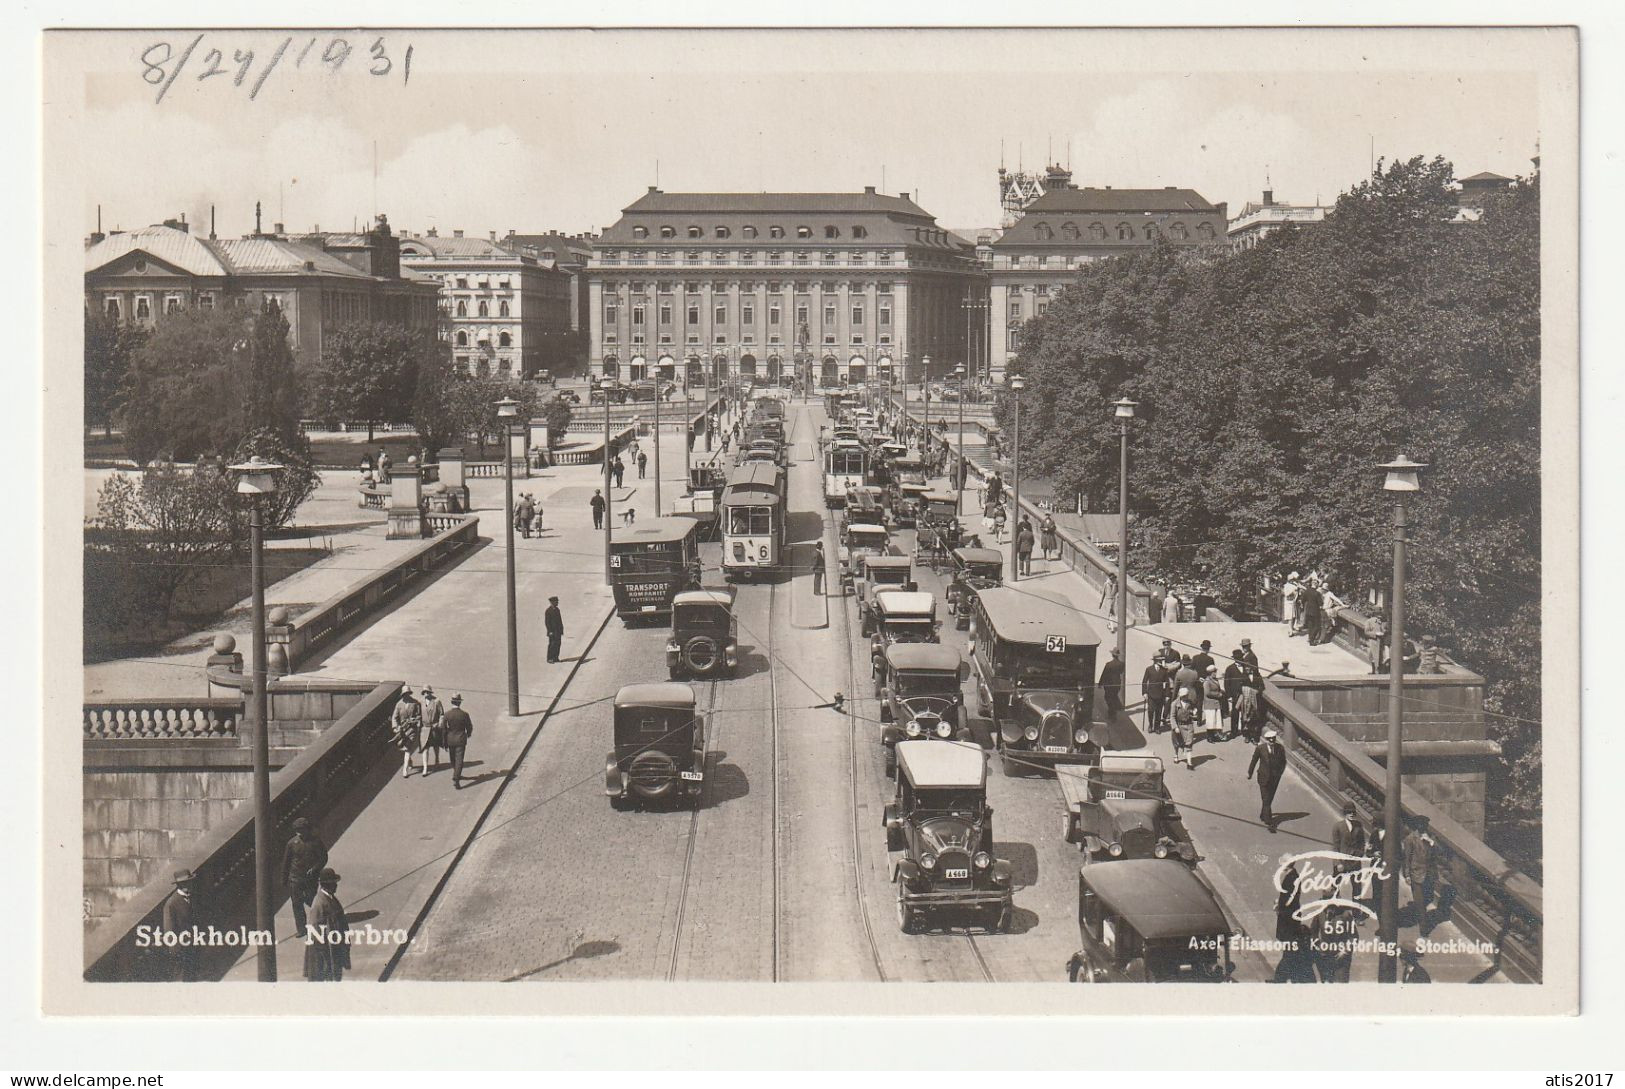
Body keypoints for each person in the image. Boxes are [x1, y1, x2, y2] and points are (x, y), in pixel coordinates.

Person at [279, 817, 328, 938]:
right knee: (297, 903)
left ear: (307, 829)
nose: (299, 833)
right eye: (297, 831)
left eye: (302, 830)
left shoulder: (316, 842)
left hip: (310, 879)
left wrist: (315, 868)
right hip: (295, 878)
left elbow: (323, 858)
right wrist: (284, 879)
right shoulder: (291, 843)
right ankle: (301, 929)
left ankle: (320, 922)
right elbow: (286, 862)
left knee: (312, 900)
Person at [303, 869, 350, 982]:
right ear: (327, 885)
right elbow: (315, 932)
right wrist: (324, 955)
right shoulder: (319, 903)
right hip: (324, 953)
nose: (336, 885)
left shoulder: (330, 898)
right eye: (334, 883)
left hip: (333, 947)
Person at [1273, 856, 1314, 984]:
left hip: (1288, 919)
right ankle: (1282, 977)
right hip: (1290, 917)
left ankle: (1280, 978)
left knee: (1289, 950)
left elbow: (1289, 900)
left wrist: (1279, 907)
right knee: (1289, 950)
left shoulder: (1291, 878)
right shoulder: (1293, 876)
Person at [1403, 815, 1443, 932]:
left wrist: (1431, 842)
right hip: (1416, 874)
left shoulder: (1431, 837)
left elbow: (1440, 852)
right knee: (1420, 902)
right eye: (1421, 825)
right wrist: (1407, 875)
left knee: (1428, 898)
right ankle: (1423, 928)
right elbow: (1407, 859)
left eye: (1425, 825)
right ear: (1417, 826)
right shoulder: (1410, 839)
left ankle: (1419, 917)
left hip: (1429, 874)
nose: (1423, 827)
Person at [160, 868, 199, 982]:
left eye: (191, 881)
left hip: (192, 948)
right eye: (188, 882)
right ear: (181, 885)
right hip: (180, 952)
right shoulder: (171, 904)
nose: (191, 884)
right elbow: (169, 932)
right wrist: (177, 953)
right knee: (181, 981)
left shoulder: (191, 898)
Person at [1248, 727, 1289, 831]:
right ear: (1266, 739)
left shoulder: (1280, 748)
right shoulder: (1260, 748)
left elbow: (1283, 762)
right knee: (1266, 798)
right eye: (1270, 739)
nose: (1272, 741)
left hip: (1275, 778)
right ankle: (1269, 822)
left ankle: (1263, 815)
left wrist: (1280, 773)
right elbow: (1254, 761)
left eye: (1273, 738)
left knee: (1269, 798)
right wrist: (1250, 773)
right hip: (1263, 777)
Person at [392, 686, 427, 778]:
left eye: (407, 694)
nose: (406, 696)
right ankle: (409, 762)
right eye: (404, 694)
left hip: (412, 729)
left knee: (407, 748)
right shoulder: (399, 704)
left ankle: (405, 770)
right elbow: (394, 717)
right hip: (402, 729)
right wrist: (395, 727)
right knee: (404, 747)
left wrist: (414, 719)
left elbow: (420, 715)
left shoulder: (415, 703)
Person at [443, 694, 474, 788]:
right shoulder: (464, 714)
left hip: (450, 739)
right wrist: (468, 734)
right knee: (459, 759)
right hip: (461, 739)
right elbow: (469, 726)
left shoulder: (447, 714)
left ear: (452, 702)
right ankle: (456, 777)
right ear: (459, 703)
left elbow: (444, 729)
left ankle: (456, 773)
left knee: (452, 759)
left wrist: (444, 742)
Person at [1331, 802, 1367, 874]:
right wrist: (1337, 863)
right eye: (1349, 812)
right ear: (1345, 813)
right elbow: (1335, 847)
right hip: (1342, 861)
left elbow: (1362, 843)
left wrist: (1359, 855)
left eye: (1353, 812)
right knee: (1336, 883)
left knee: (1357, 884)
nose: (1351, 814)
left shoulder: (1358, 825)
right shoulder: (1338, 826)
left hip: (1355, 862)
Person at [1170, 687, 1199, 767]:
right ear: (1180, 696)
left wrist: (1194, 712)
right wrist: (1175, 727)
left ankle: (1189, 763)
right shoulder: (1175, 704)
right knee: (1177, 743)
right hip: (1179, 726)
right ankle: (1176, 755)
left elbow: (1193, 711)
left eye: (1186, 695)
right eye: (1184, 696)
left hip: (1189, 725)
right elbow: (1172, 716)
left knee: (1189, 744)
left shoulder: (1190, 702)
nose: (1185, 697)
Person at [1223, 653, 1248, 738]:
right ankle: (1234, 731)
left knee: (1245, 713)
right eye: (1238, 658)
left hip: (1245, 694)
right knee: (1235, 713)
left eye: (1240, 658)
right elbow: (1226, 683)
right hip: (1235, 695)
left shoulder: (1246, 667)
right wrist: (1229, 695)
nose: (1240, 660)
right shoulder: (1230, 668)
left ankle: (1244, 731)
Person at [420, 685, 446, 770]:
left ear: (431, 692)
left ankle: (437, 759)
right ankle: (425, 767)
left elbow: (442, 714)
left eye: (428, 692)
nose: (426, 693)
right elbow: (419, 715)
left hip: (434, 728)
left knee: (436, 745)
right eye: (424, 692)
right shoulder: (421, 702)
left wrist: (439, 724)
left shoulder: (436, 701)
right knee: (425, 748)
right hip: (425, 728)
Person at [1141, 658, 1169, 734]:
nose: (1162, 662)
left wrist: (1167, 695)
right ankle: (1150, 725)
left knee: (1159, 711)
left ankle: (1157, 727)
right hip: (1151, 694)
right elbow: (1144, 681)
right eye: (1160, 660)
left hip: (1160, 694)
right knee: (1150, 711)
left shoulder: (1164, 670)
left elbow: (1167, 683)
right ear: (1156, 661)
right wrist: (1144, 693)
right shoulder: (1149, 669)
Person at [1098, 649, 1125, 718]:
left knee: (1107, 697)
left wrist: (1100, 683)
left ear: (1112, 655)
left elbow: (1104, 674)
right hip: (1117, 684)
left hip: (1109, 683)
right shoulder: (1122, 664)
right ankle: (1115, 709)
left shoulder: (1108, 664)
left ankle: (1112, 712)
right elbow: (1121, 672)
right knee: (1113, 696)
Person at [1202, 665, 1225, 738]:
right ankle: (1210, 737)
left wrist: (1222, 692)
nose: (1215, 673)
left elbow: (1217, 689)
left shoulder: (1215, 680)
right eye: (1214, 672)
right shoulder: (1207, 681)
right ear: (1211, 673)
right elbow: (1207, 693)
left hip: (1216, 703)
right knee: (1211, 721)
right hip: (1210, 704)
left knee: (1216, 720)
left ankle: (1215, 735)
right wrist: (1218, 694)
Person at [545, 595, 564, 663]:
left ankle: (556, 657)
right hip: (552, 632)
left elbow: (560, 620)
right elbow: (547, 622)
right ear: (552, 602)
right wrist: (550, 631)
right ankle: (550, 658)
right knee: (552, 645)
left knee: (558, 644)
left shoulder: (557, 610)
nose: (557, 603)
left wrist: (561, 629)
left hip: (558, 631)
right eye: (556, 602)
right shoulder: (548, 611)